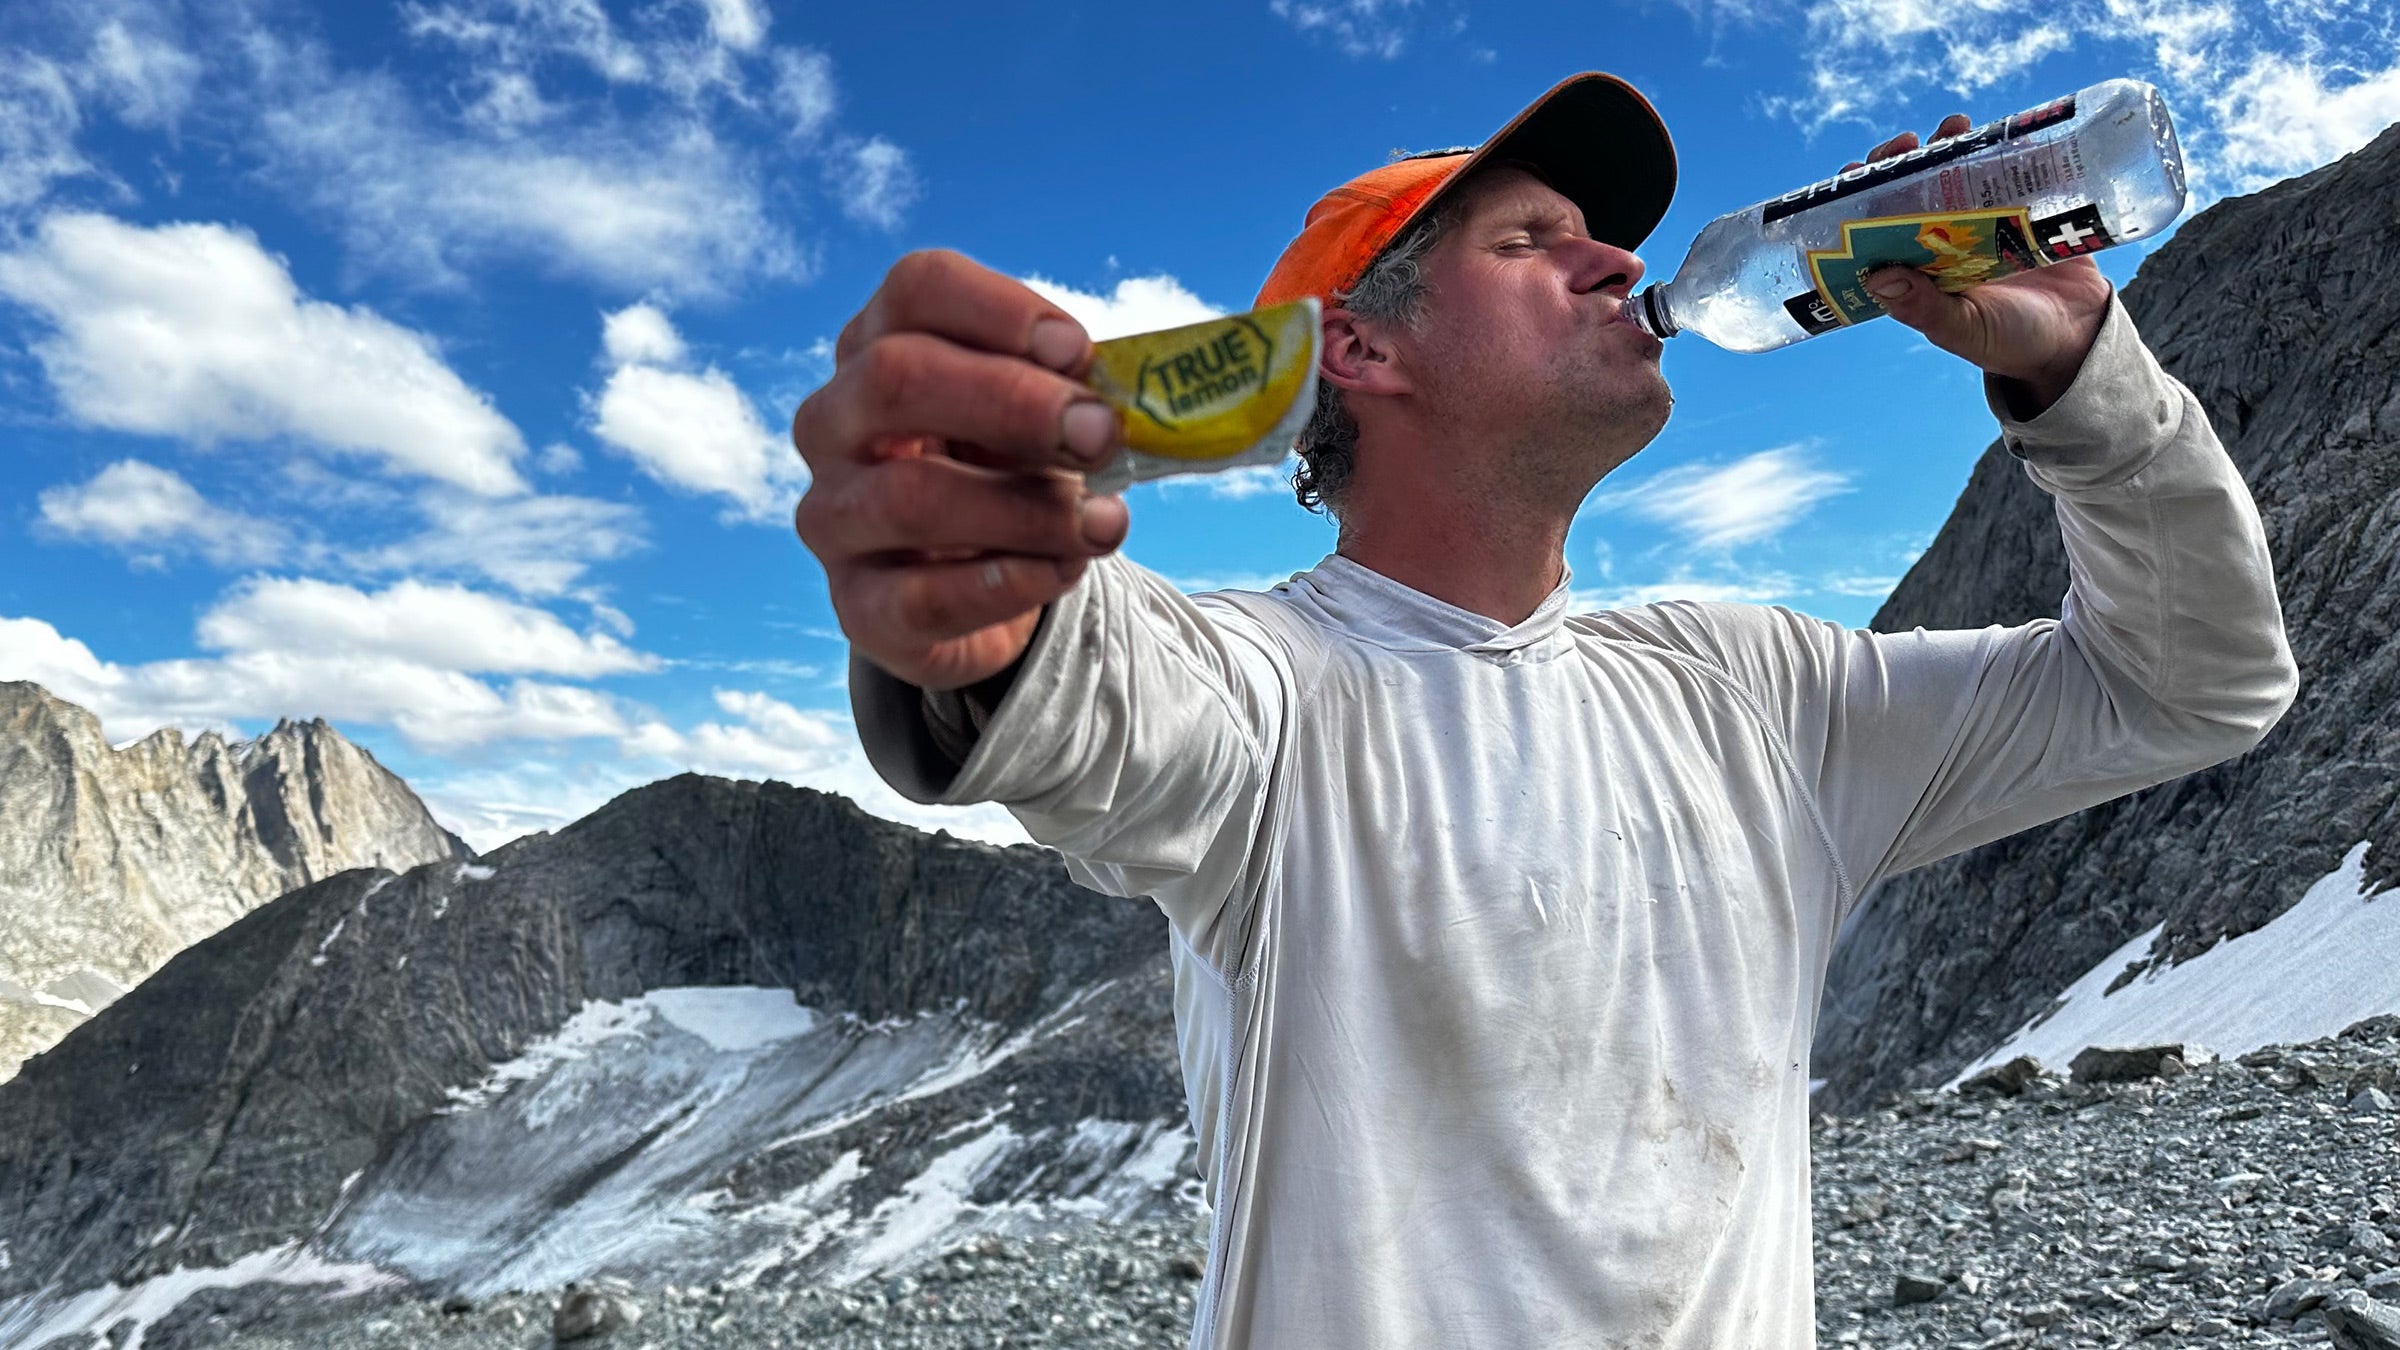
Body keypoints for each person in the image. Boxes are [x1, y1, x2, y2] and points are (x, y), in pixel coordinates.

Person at [792, 72, 2296, 1350]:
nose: (1611, 263)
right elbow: (1094, 685)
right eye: (1530, 242)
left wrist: (2081, 373)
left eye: (1603, 239)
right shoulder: (1271, 693)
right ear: (1361, 350)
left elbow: (2189, 684)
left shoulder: (1756, 689)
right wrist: (970, 570)